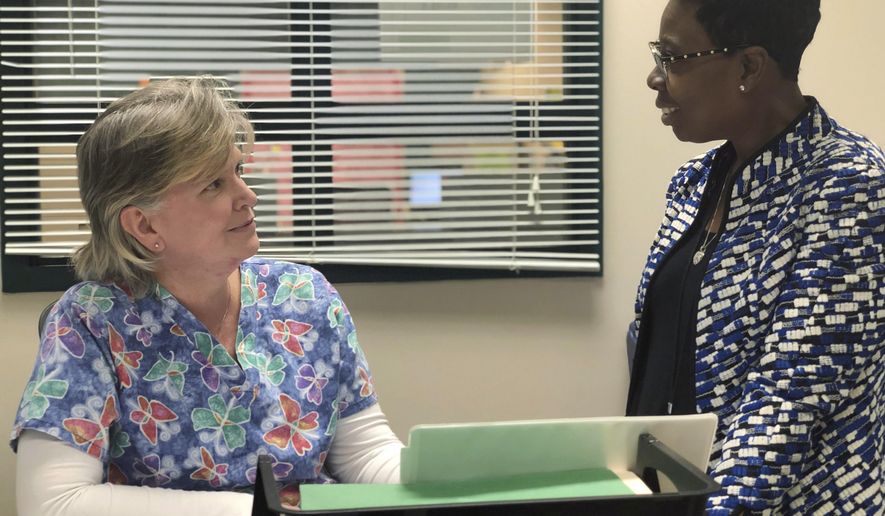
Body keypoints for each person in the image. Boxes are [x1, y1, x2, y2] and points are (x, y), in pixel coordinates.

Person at [10, 76, 403, 516]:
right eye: (213, 185)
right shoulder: (90, 321)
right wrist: (253, 511)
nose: (249, 196)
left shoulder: (304, 294)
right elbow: (53, 502)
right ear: (145, 226)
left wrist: (452, 482)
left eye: (238, 171)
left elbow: (366, 455)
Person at [626, 0, 884, 513]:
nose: (655, 78)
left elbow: (788, 402)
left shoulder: (851, 187)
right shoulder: (696, 181)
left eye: (673, 58)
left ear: (749, 66)